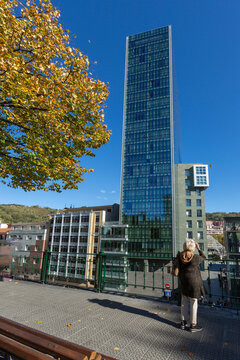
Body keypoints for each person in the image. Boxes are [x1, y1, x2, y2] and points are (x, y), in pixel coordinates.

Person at [176, 239, 206, 332]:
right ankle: (193, 325)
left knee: (184, 301)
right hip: (194, 283)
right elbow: (204, 257)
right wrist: (199, 248)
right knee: (193, 302)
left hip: (184, 281)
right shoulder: (195, 257)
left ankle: (183, 322)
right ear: (193, 247)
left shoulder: (179, 256)